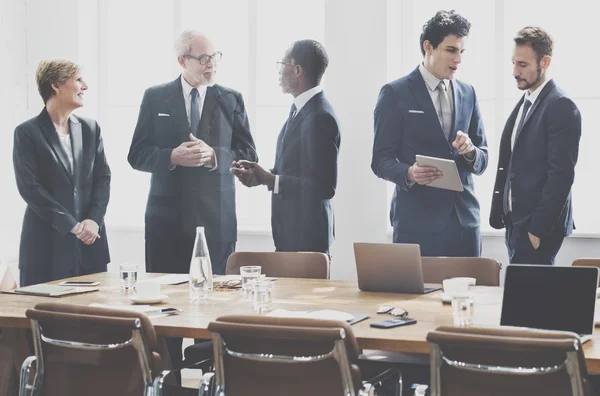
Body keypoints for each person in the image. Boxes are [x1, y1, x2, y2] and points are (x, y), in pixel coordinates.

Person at [127, 30, 257, 374]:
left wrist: (215, 155)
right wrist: (171, 156)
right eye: (203, 58)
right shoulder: (155, 97)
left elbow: (248, 155)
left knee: (212, 315)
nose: (211, 64)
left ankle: (211, 382)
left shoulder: (231, 98)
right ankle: (164, 382)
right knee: (164, 311)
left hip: (216, 223)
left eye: (214, 56)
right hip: (165, 223)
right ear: (182, 61)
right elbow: (136, 155)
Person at [371, 10, 488, 257]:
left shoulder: (469, 93)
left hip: (465, 223)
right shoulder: (395, 93)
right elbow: (380, 161)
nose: (458, 59)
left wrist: (470, 152)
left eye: (461, 52)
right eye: (451, 50)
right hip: (417, 224)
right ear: (428, 47)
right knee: (416, 296)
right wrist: (410, 173)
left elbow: (483, 159)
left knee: (468, 296)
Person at [231, 39, 340, 253]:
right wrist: (261, 176)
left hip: (307, 241)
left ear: (297, 70)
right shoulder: (301, 110)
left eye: (282, 66)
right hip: (291, 237)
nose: (279, 73)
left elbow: (324, 187)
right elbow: (297, 170)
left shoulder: (320, 116)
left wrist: (271, 179)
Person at [13, 59, 111, 287]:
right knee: (45, 319)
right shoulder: (27, 133)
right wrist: (73, 225)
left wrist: (94, 221)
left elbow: (103, 179)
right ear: (56, 85)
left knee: (93, 319)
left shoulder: (90, 128)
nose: (85, 86)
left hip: (89, 247)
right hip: (45, 249)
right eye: (78, 80)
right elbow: (30, 188)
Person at [490, 27, 581, 265]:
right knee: (522, 298)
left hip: (536, 227)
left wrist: (537, 229)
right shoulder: (527, 101)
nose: (514, 71)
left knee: (534, 299)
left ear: (545, 61)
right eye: (513, 63)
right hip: (516, 224)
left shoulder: (561, 105)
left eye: (523, 65)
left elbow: (561, 176)